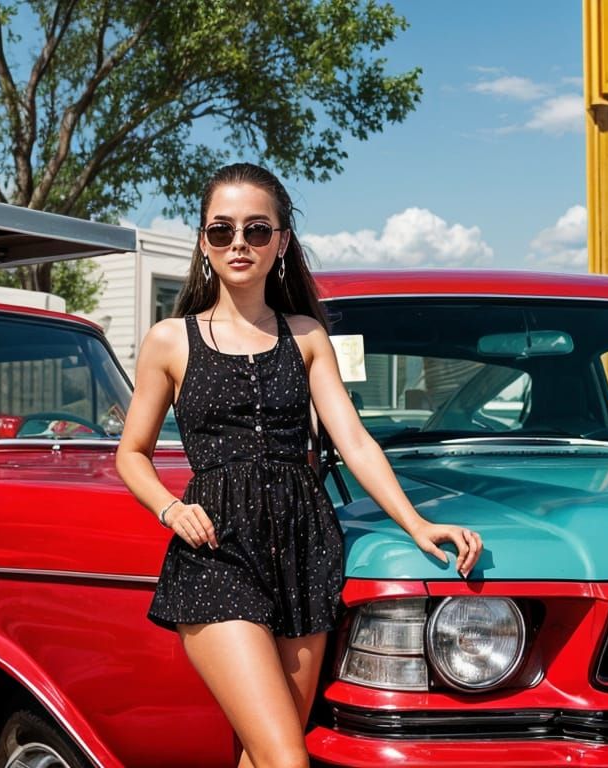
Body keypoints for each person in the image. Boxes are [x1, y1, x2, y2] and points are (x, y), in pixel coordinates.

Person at [115, 163, 483, 768]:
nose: (239, 243)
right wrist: (170, 507)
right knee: (287, 756)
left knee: (262, 753)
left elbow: (356, 441)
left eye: (257, 230)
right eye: (221, 230)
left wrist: (417, 524)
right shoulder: (169, 340)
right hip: (216, 549)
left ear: (281, 241)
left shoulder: (307, 336)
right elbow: (132, 453)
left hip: (304, 544)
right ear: (204, 243)